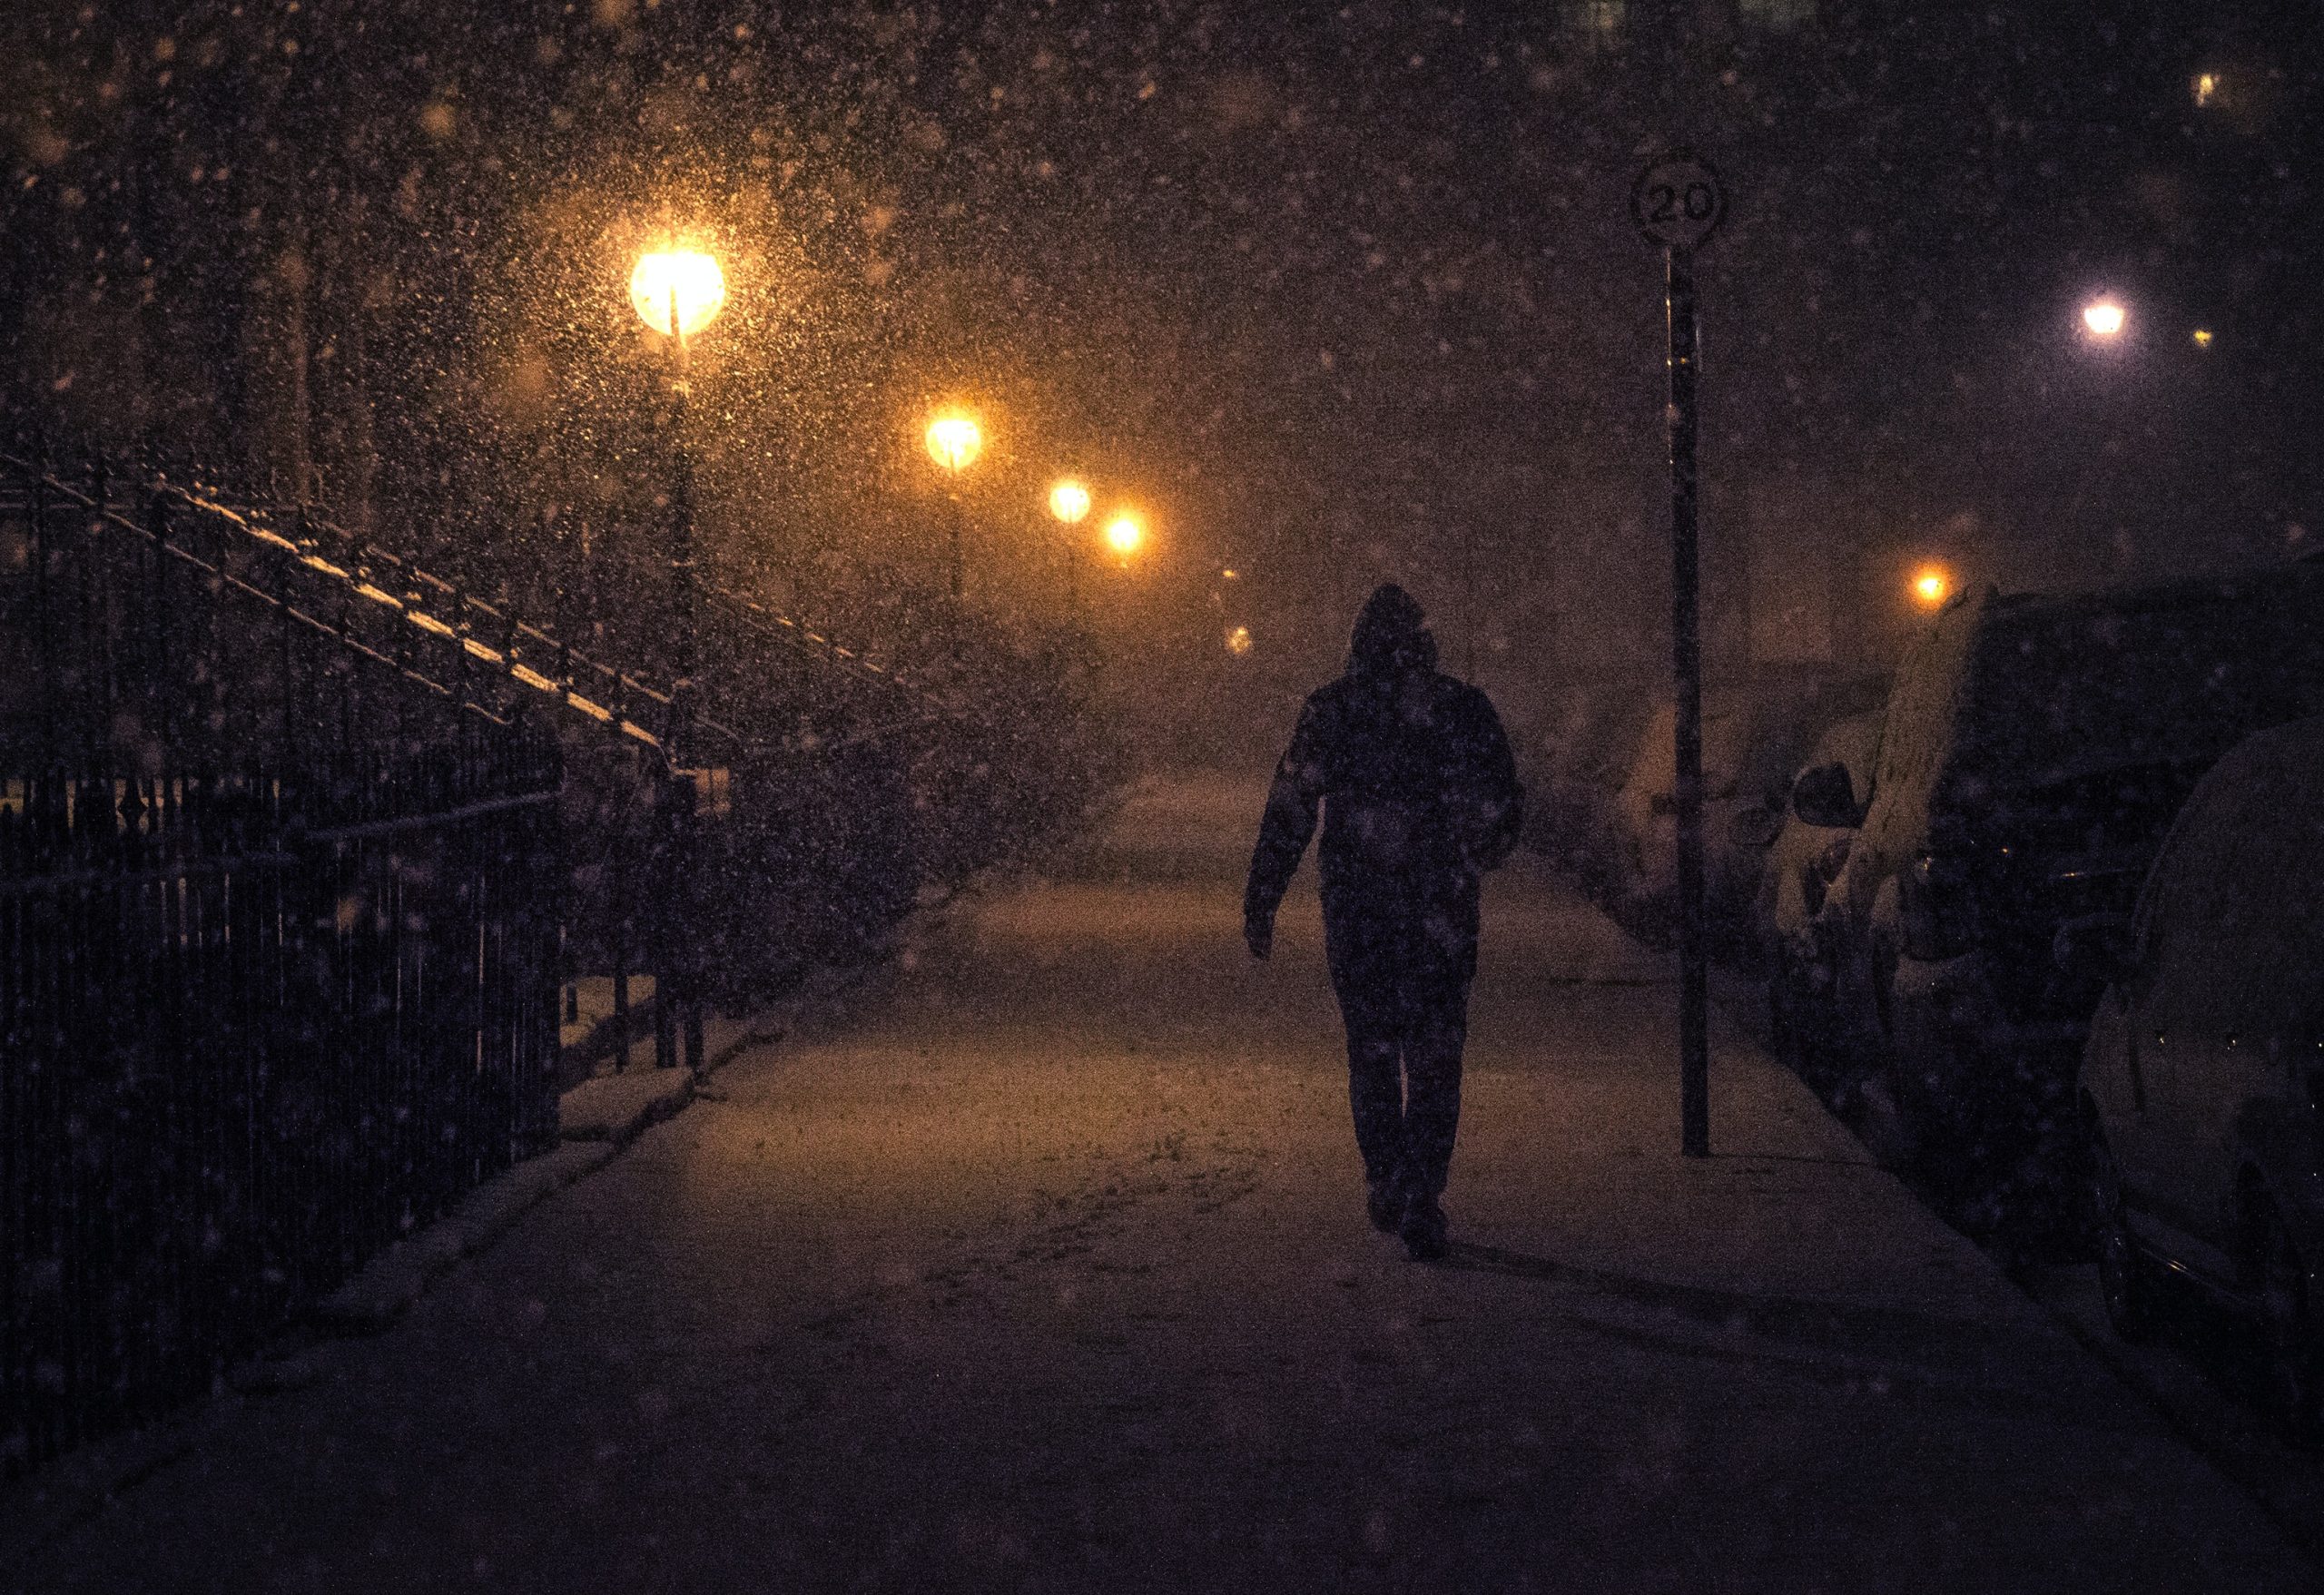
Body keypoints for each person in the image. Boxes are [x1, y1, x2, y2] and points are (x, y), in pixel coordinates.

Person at [1244, 583, 1524, 1260]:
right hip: (1441, 912)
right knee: (1435, 1056)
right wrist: (1476, 847)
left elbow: (1292, 803)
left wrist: (1264, 893)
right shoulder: (1462, 709)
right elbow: (1502, 807)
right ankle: (1422, 1188)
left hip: (1361, 908)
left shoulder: (1334, 711)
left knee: (1371, 1048)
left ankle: (1387, 1173)